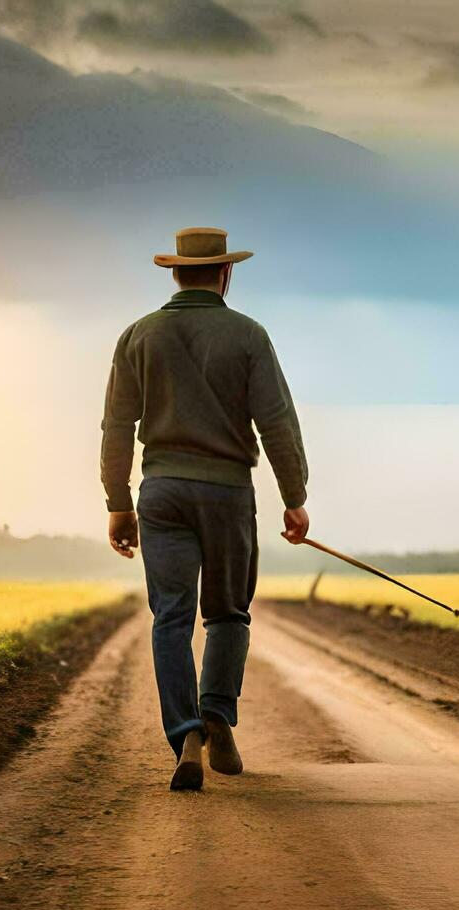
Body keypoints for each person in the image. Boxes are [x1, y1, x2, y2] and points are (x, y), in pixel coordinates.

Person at [100, 227, 310, 790]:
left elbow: (117, 425)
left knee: (170, 617)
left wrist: (118, 503)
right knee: (227, 614)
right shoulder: (248, 335)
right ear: (226, 273)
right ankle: (217, 711)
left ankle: (186, 734)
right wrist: (295, 499)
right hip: (227, 493)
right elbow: (277, 423)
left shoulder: (137, 336)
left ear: (174, 273)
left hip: (161, 491)